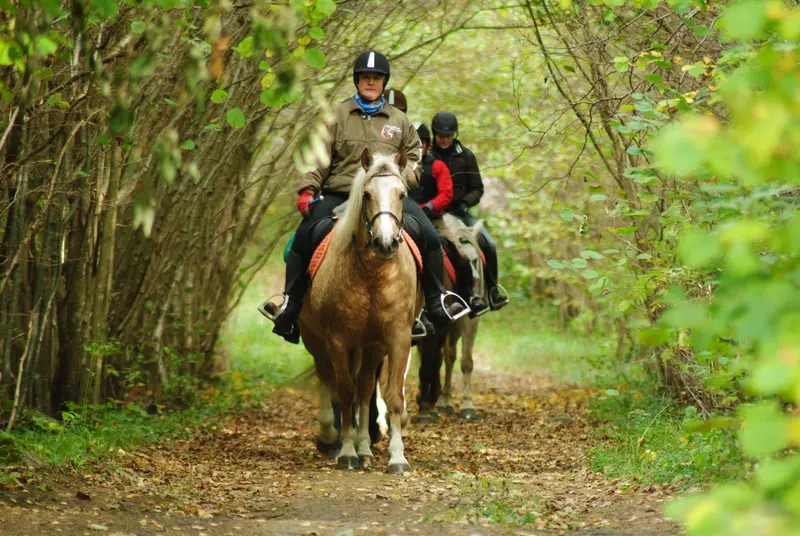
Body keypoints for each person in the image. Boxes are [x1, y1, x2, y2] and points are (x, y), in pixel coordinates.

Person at [260, 51, 468, 344]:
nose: (371, 82)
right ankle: (291, 306)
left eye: (376, 78)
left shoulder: (400, 120)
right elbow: (317, 158)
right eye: (366, 77)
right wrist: (308, 190)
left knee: (430, 236)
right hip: (340, 192)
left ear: (384, 82)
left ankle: (437, 301)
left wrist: (397, 178)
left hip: (387, 196)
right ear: (357, 80)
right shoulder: (336, 115)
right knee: (302, 237)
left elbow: (414, 159)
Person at [431, 111, 509, 311]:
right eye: (441, 136)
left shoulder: (466, 156)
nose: (445, 140)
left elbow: (477, 188)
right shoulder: (428, 156)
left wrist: (465, 203)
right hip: (435, 213)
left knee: (488, 243)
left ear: (454, 135)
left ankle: (493, 290)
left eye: (448, 136)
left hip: (460, 211)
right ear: (434, 134)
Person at [410, 124, 490, 316]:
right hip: (408, 221)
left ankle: (469, 297)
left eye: (421, 144)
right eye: (413, 144)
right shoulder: (400, 166)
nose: (418, 148)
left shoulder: (438, 166)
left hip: (435, 222)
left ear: (427, 144)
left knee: (461, 254)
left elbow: (447, 193)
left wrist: (430, 206)